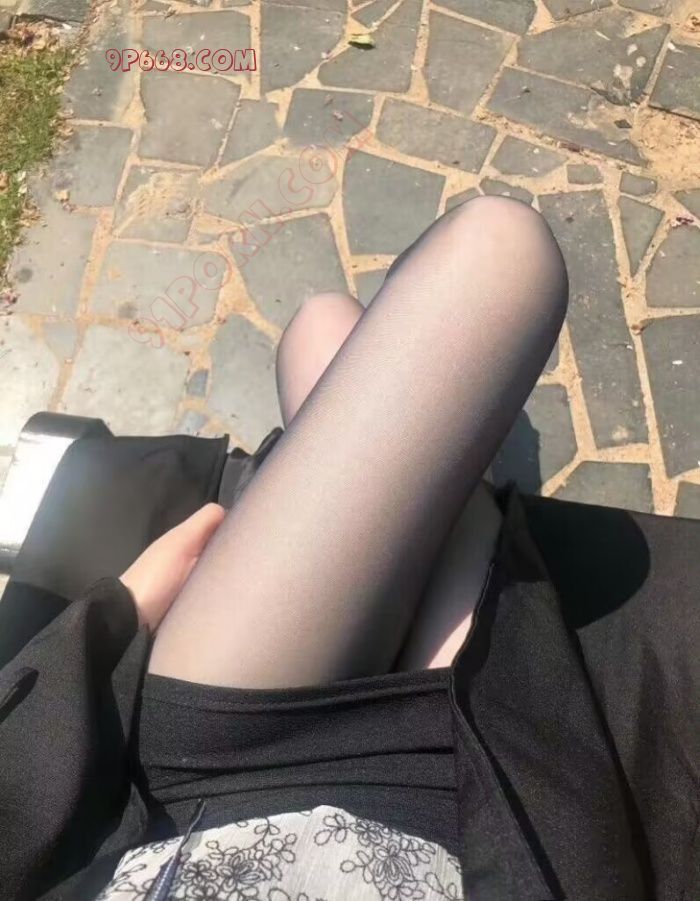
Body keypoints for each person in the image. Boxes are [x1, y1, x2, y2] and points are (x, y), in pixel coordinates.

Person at [1, 197, 699, 901]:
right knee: (490, 258)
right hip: (479, 828)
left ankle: (460, 475)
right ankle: (463, 475)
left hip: (196, 802)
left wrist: (112, 618)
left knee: (327, 323)